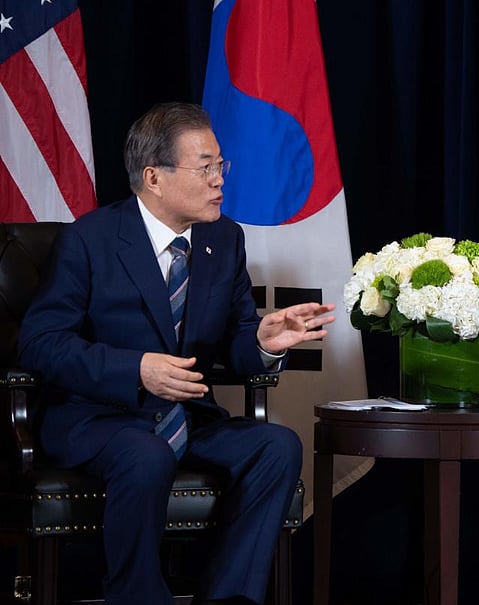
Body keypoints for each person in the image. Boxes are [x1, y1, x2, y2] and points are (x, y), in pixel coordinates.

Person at [18, 102, 336, 605]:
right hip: (98, 418)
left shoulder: (223, 239)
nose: (219, 181)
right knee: (145, 454)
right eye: (205, 167)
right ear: (154, 177)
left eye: (220, 166)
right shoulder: (89, 240)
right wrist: (137, 370)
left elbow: (235, 342)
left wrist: (262, 343)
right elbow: (40, 343)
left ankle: (230, 598)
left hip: (187, 416)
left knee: (278, 446)